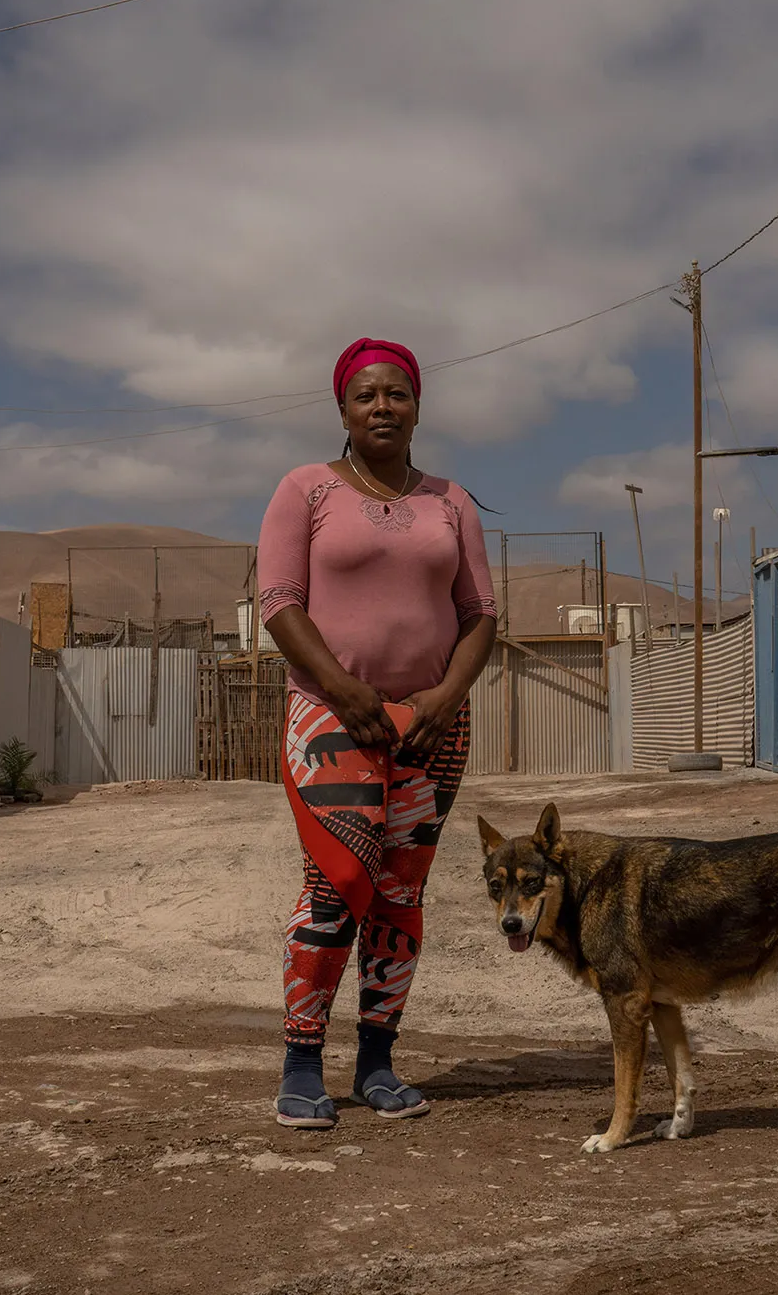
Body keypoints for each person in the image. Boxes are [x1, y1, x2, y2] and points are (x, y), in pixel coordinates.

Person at [255, 337, 499, 1128]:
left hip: (433, 724)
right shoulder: (305, 489)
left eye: (397, 394)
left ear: (418, 406)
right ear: (343, 410)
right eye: (367, 396)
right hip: (332, 715)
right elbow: (280, 603)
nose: (383, 406)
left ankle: (376, 1061)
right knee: (338, 884)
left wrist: (445, 695)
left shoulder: (451, 502)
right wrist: (342, 687)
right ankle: (300, 1061)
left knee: (400, 892)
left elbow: (480, 615)